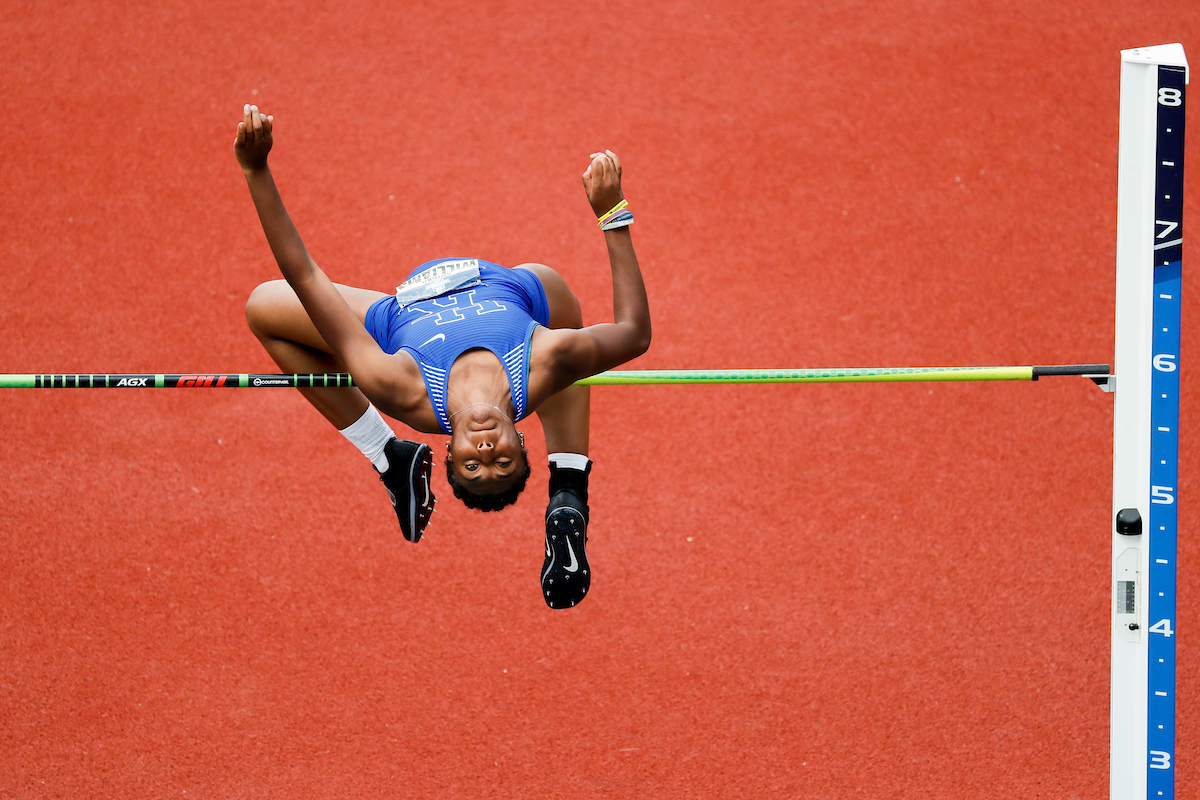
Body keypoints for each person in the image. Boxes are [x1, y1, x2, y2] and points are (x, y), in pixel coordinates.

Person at [235, 104, 650, 609]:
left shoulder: (402, 387)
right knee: (560, 323)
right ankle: (568, 486)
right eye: (502, 460)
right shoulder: (541, 363)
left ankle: (389, 456)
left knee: (264, 305)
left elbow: (305, 277)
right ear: (520, 439)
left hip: (402, 315)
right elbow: (634, 333)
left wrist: (256, 170)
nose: (485, 452)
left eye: (472, 467)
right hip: (516, 291)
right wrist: (612, 211)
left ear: (448, 453)